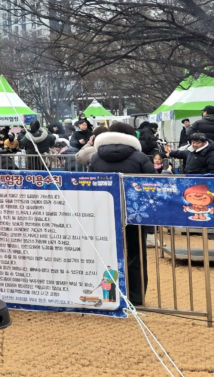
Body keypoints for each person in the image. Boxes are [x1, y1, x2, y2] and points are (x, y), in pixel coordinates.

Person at [87, 122, 152, 306]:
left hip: (104, 211)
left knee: (106, 254)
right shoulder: (140, 157)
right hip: (134, 212)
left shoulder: (96, 157)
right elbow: (153, 181)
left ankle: (110, 296)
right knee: (136, 253)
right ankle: (136, 297)